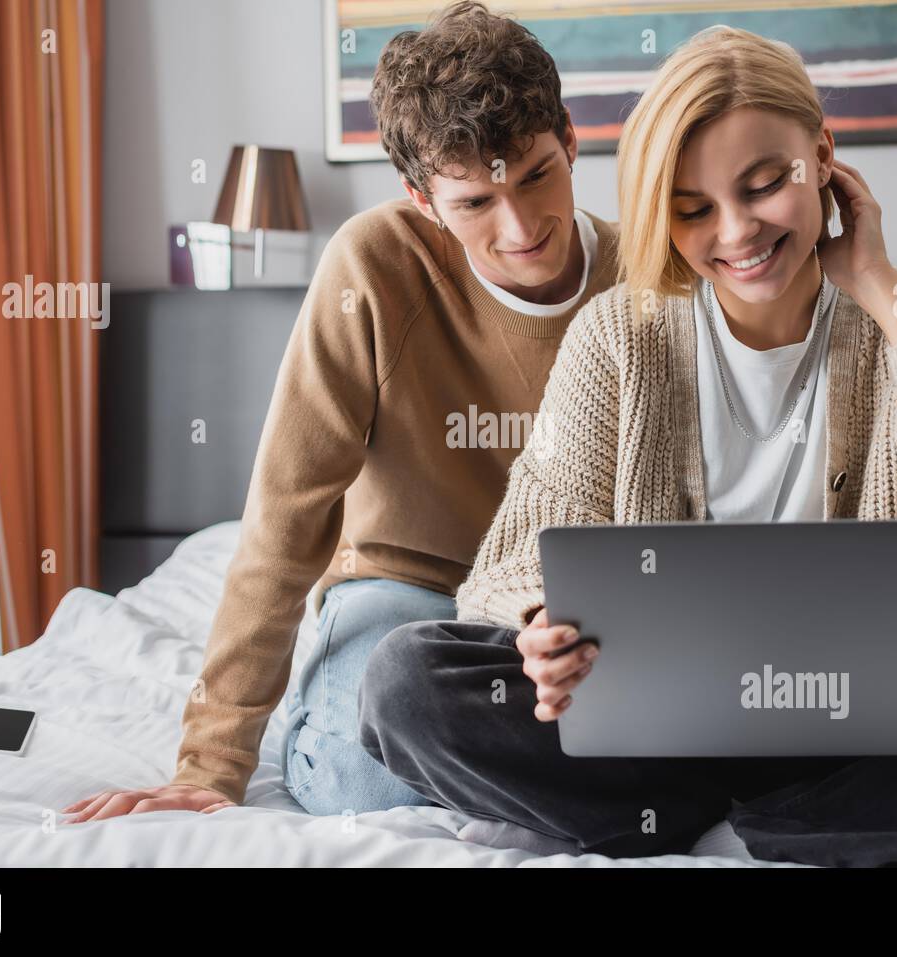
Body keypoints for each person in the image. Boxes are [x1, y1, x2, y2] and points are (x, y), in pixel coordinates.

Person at [356, 24, 897, 864]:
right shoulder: (618, 338)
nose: (736, 233)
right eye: (693, 209)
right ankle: (787, 818)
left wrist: (881, 286)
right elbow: (513, 557)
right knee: (406, 681)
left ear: (824, 156)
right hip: (660, 735)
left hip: (870, 734)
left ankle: (745, 826)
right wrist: (538, 625)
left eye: (766, 184)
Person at [61, 1, 620, 823]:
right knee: (366, 781)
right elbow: (284, 516)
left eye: (537, 174)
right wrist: (211, 763)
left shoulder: (648, 274)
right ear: (423, 199)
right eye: (472, 203)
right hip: (409, 593)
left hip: (567, 603)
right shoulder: (374, 264)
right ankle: (338, 709)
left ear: (570, 139)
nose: (521, 225)